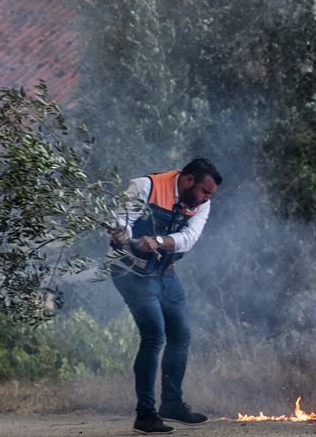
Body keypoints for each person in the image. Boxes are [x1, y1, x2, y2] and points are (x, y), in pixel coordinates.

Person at [109, 158, 221, 435]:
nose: (206, 199)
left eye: (210, 195)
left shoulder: (202, 204)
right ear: (187, 180)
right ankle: (145, 416)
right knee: (154, 335)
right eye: (204, 192)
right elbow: (121, 223)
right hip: (130, 272)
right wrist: (122, 233)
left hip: (165, 273)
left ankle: (171, 404)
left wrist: (158, 242)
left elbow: (189, 238)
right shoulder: (144, 187)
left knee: (180, 335)